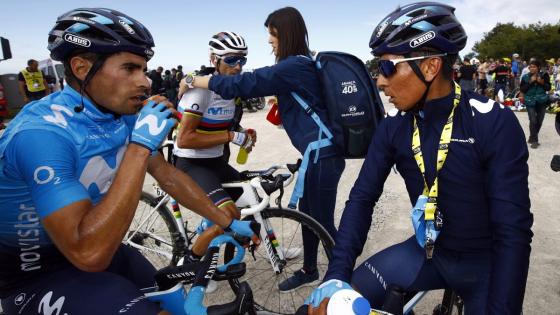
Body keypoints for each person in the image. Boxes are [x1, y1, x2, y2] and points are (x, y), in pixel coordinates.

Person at [0, 8, 257, 315]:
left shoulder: (118, 115)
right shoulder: (41, 135)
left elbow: (167, 175)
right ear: (81, 67)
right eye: (130, 69)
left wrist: (226, 220)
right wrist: (139, 145)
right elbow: (88, 253)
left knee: (174, 301)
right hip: (34, 275)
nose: (145, 81)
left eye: (144, 69)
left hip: (105, 248)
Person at [305, 3, 533, 315]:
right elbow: (361, 198)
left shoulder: (492, 122)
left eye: (387, 68)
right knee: (321, 310)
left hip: (486, 263)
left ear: (430, 67)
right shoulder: (393, 126)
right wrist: (336, 275)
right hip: (428, 254)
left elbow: (513, 230)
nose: (380, 82)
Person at [179, 7, 346, 292]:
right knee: (308, 214)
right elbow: (187, 135)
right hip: (318, 152)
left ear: (285, 33)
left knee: (322, 221)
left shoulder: (292, 65)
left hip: (322, 153)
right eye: (232, 59)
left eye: (272, 33)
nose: (269, 40)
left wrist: (192, 79)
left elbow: (245, 83)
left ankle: (342, 280)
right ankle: (308, 268)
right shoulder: (302, 62)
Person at [173, 31, 256, 264]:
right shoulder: (201, 90)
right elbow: (185, 139)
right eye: (231, 60)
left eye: (242, 60)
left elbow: (224, 126)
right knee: (227, 215)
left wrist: (242, 134)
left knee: (250, 200)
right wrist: (229, 136)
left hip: (216, 161)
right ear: (214, 61)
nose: (238, 66)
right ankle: (189, 265)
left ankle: (227, 261)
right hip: (192, 163)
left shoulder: (232, 90)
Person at [520, 59, 551, 148]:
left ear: (538, 67)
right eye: (531, 67)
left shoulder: (544, 75)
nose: (532, 68)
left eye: (534, 67)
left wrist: (541, 82)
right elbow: (522, 89)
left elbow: (548, 88)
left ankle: (532, 136)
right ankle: (535, 141)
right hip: (530, 101)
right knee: (533, 120)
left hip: (542, 100)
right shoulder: (525, 77)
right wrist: (530, 82)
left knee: (539, 121)